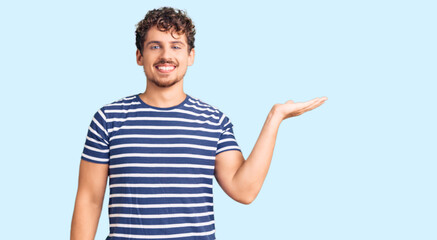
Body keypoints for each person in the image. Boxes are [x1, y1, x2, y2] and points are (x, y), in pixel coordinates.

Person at [70, 6, 327, 240]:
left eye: (176, 46)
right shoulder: (107, 119)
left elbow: (244, 191)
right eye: (155, 46)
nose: (166, 55)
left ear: (191, 56)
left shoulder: (214, 121)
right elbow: (89, 200)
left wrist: (274, 118)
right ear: (139, 56)